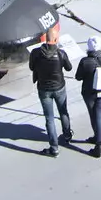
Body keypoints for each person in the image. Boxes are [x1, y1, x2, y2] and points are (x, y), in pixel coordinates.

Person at [29, 26, 74, 156]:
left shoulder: (36, 53)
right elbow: (69, 68)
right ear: (56, 38)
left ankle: (54, 148)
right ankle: (67, 135)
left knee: (49, 118)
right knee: (63, 111)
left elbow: (32, 67)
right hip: (59, 87)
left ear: (45, 38)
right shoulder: (61, 53)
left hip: (44, 88)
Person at [75, 35, 101, 157]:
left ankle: (98, 145)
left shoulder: (85, 61)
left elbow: (78, 77)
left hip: (90, 93)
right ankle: (97, 138)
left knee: (94, 116)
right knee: (100, 116)